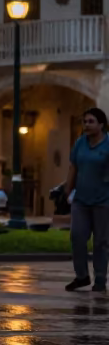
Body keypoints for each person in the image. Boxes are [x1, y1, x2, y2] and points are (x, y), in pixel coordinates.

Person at [64, 107, 109, 292]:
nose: (87, 125)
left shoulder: (108, 145)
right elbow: (73, 167)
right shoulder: (80, 143)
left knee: (101, 241)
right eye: (85, 122)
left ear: (101, 124)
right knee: (77, 236)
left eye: (91, 122)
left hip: (103, 200)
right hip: (80, 200)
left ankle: (100, 279)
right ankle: (81, 276)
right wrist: (67, 191)